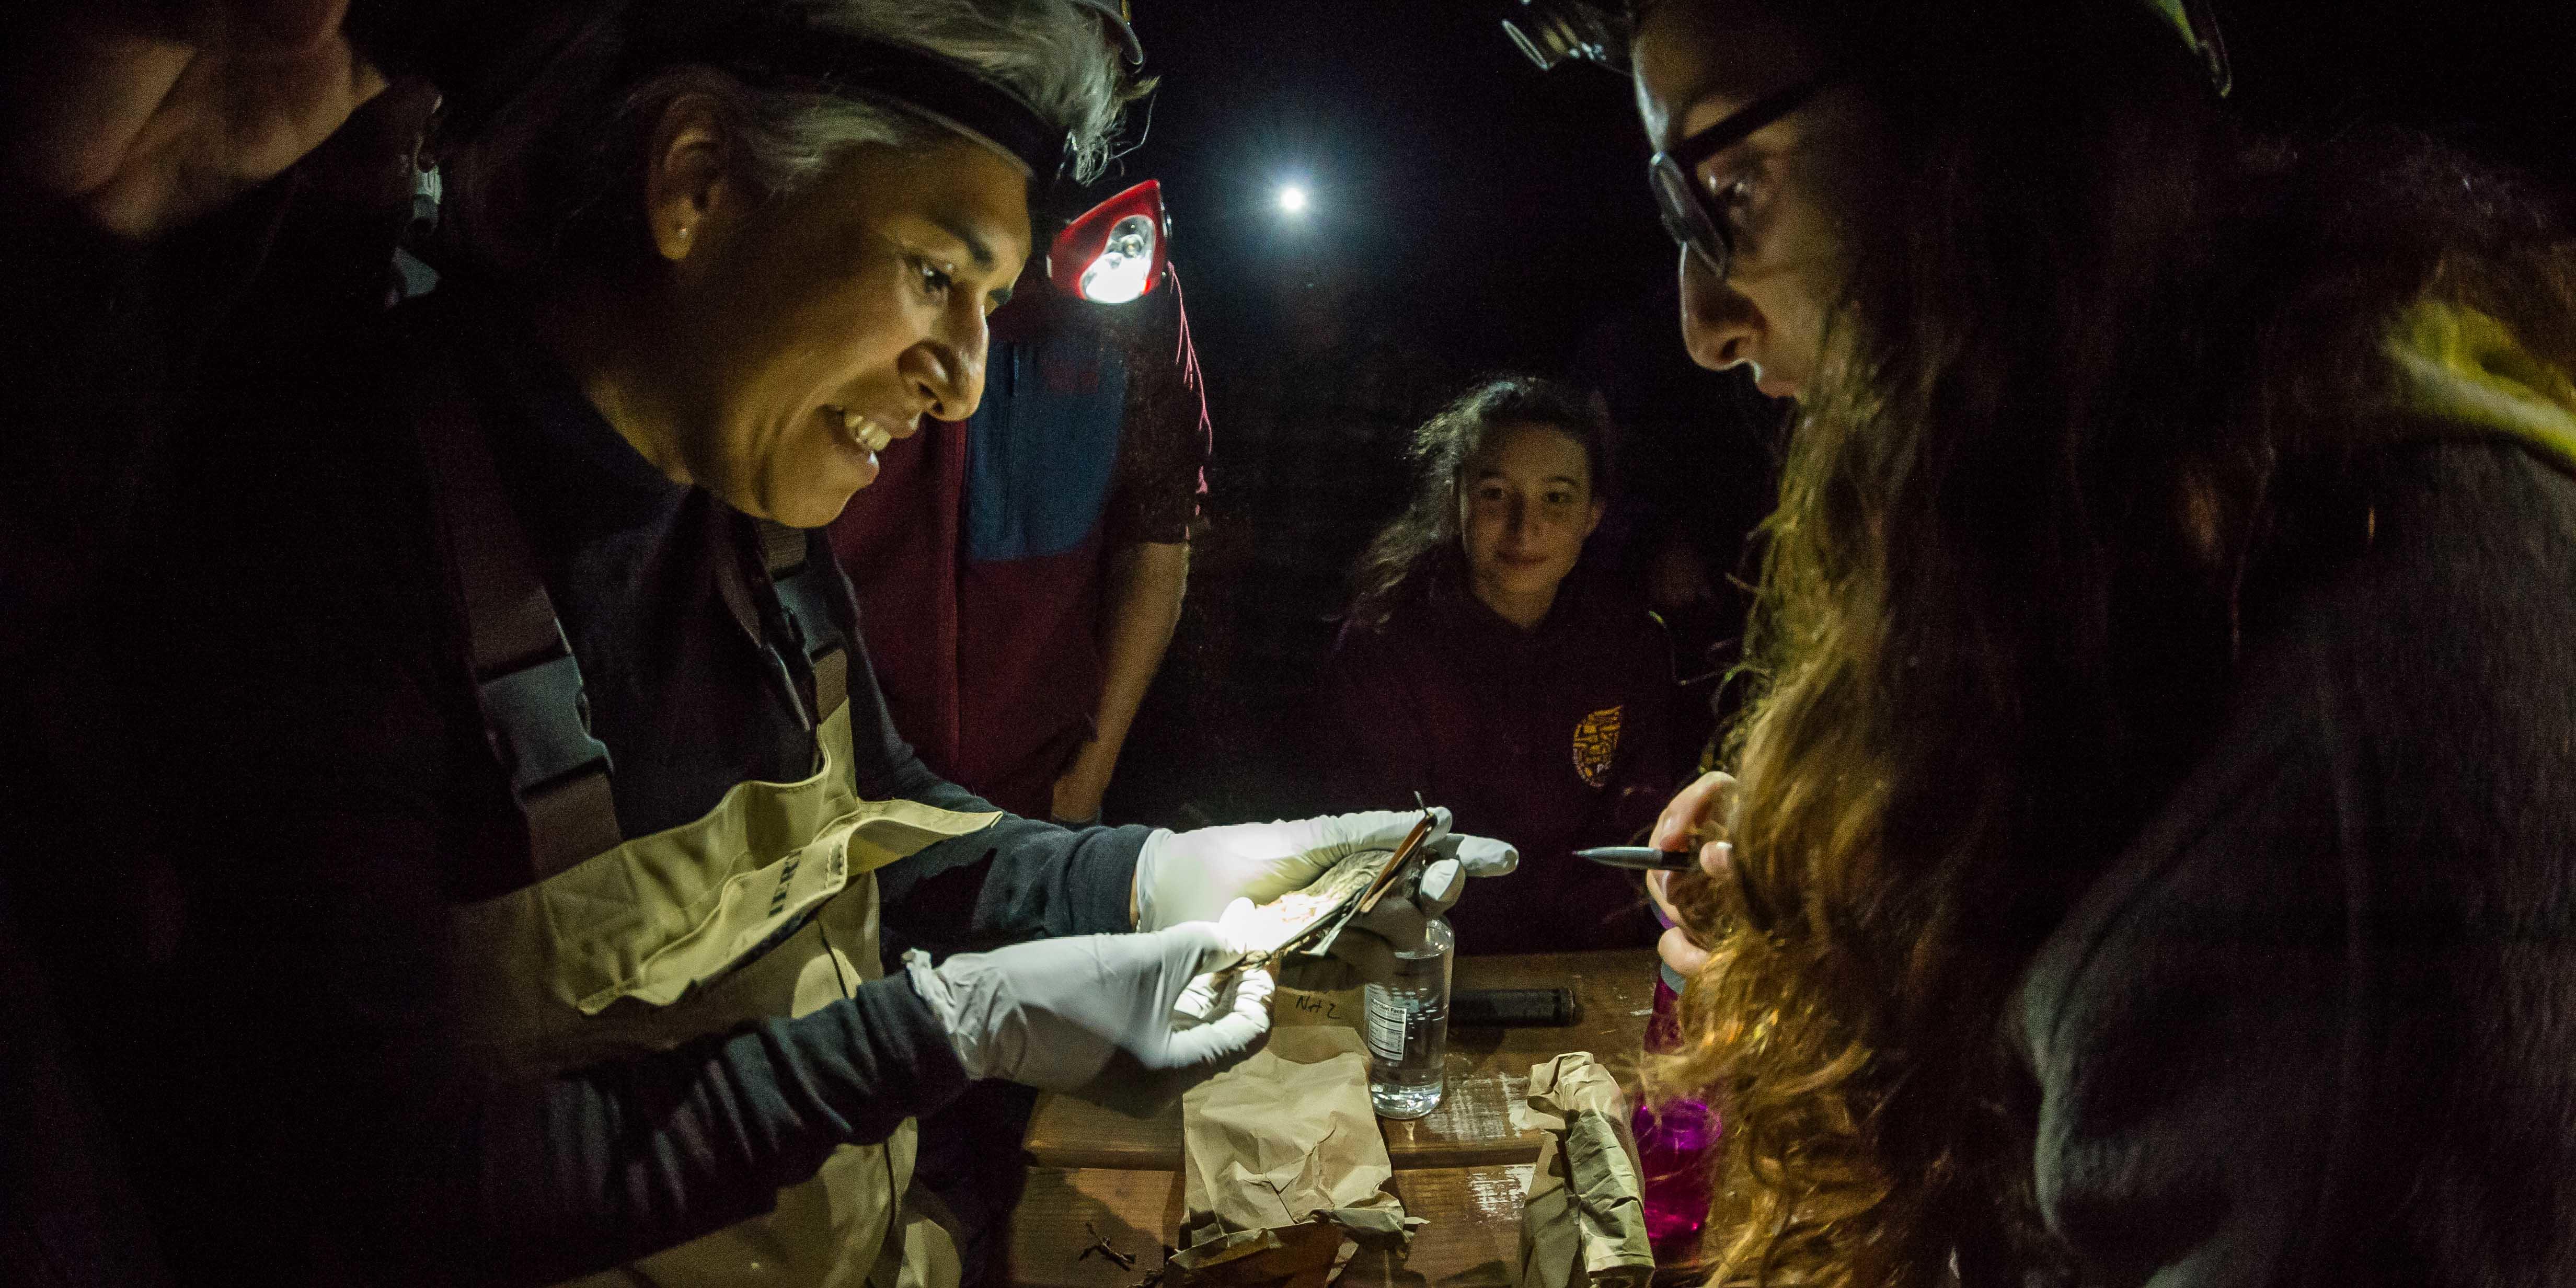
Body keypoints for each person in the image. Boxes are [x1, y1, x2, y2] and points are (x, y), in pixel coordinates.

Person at [112, 2, 1516, 1285]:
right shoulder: (336, 523)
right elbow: (384, 1184)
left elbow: (885, 833)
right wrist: (942, 1030)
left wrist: (1183, 872)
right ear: (700, 180)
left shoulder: (741, 523)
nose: (966, 384)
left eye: (988, 305)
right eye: (932, 273)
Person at [1530, 0, 2576, 1283]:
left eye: (1728, 186)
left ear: (1996, 119)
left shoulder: (2353, 722)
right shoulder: (2170, 509)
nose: (1703, 322)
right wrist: (1876, 855)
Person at [829, 259, 1205, 827]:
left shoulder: (1120, 270)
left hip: (1037, 802)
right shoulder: (859, 234)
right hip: (831, 792)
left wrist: (1087, 779)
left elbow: (1155, 538)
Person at [1322, 376, 1683, 954]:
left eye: (1556, 498)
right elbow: (1374, 848)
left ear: (1593, 513)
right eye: (1495, 494)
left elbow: (1640, 829)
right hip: (1433, 962)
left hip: (1591, 964)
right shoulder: (1386, 645)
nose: (1523, 526)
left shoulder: (1627, 644)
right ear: (1455, 497)